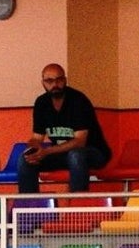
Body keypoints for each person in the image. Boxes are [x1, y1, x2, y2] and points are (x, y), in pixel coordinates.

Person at [17, 63, 112, 194]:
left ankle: (77, 208)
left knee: (76, 155)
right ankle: (28, 208)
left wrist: (46, 151)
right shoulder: (41, 103)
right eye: (49, 81)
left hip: (93, 152)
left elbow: (80, 142)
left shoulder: (78, 100)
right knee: (24, 159)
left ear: (65, 80)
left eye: (59, 80)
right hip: (62, 154)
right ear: (43, 83)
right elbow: (37, 137)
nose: (55, 84)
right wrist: (33, 149)